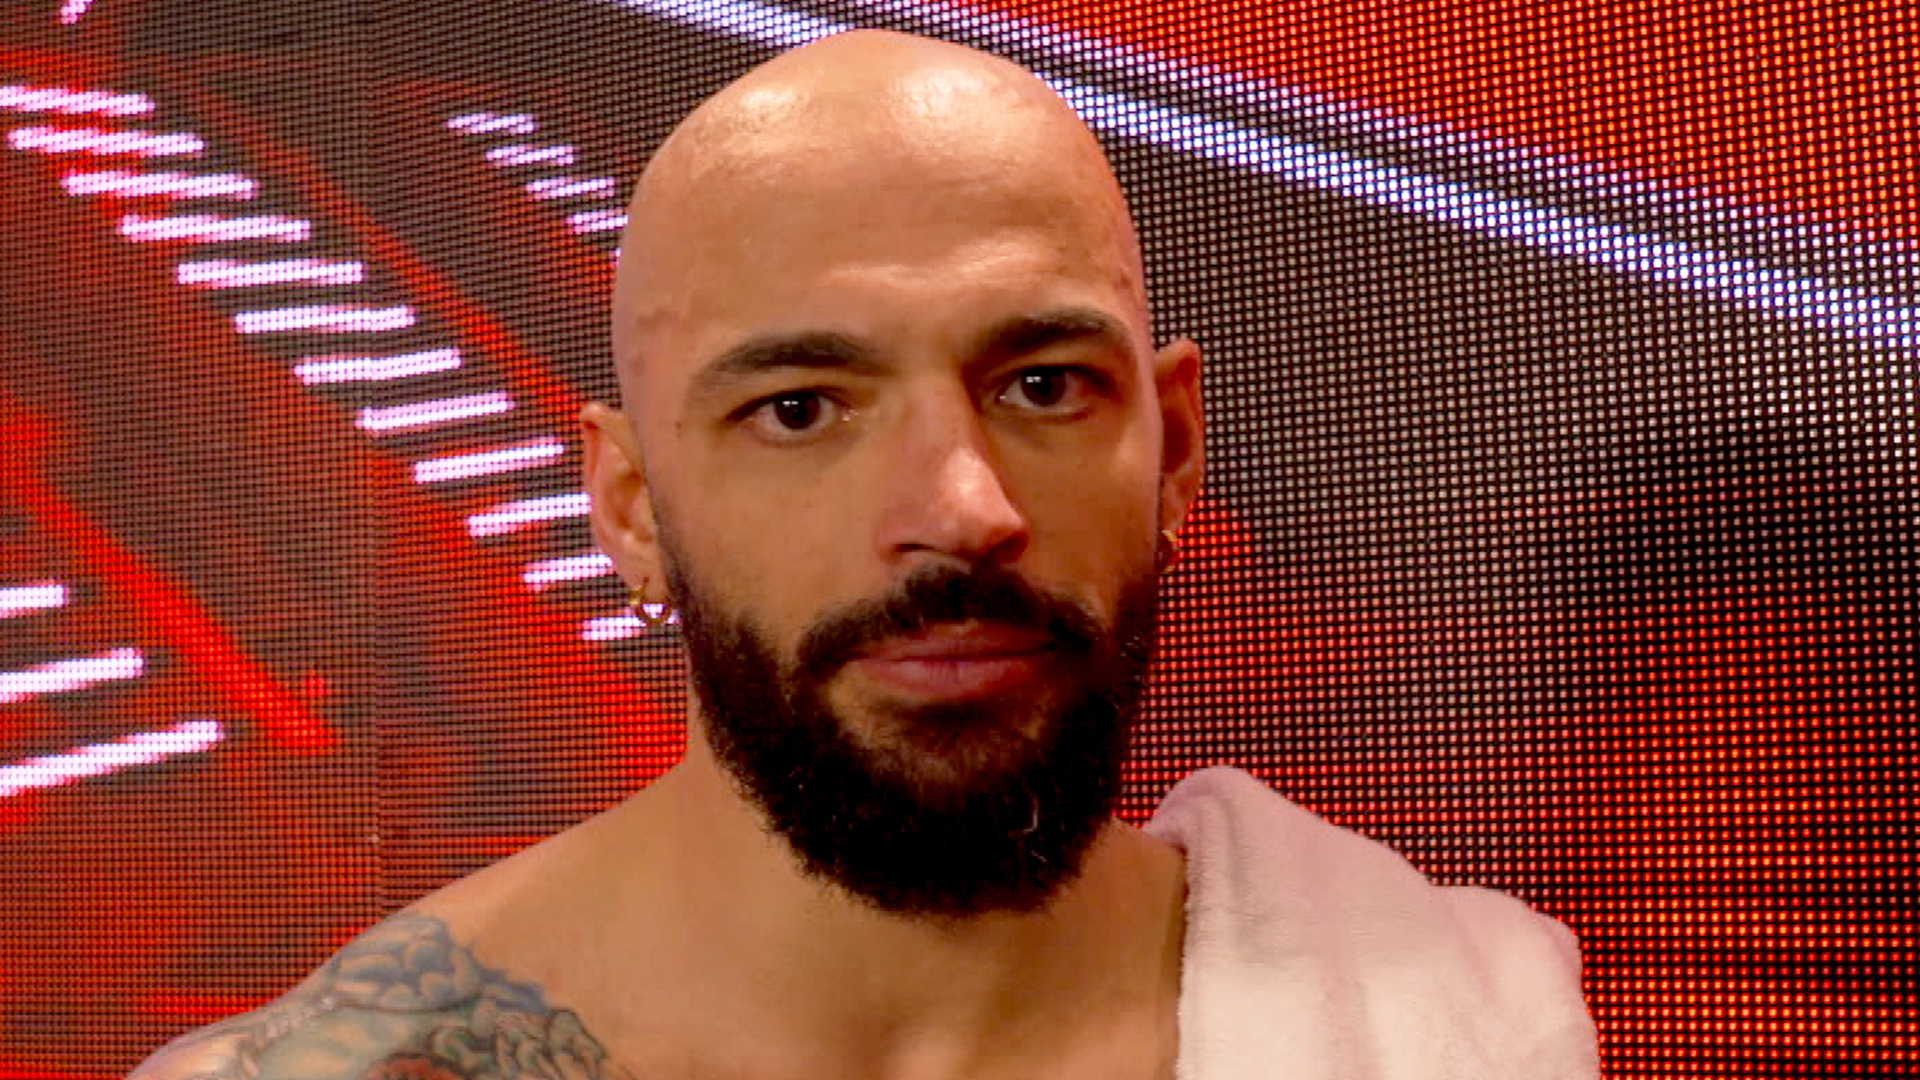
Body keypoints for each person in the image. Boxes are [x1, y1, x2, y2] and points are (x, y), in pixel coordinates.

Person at [131, 29, 1597, 1080]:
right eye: (799, 409)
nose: (962, 508)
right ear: (631, 509)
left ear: (1172, 450)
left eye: (1043, 387)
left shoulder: (1467, 1029)